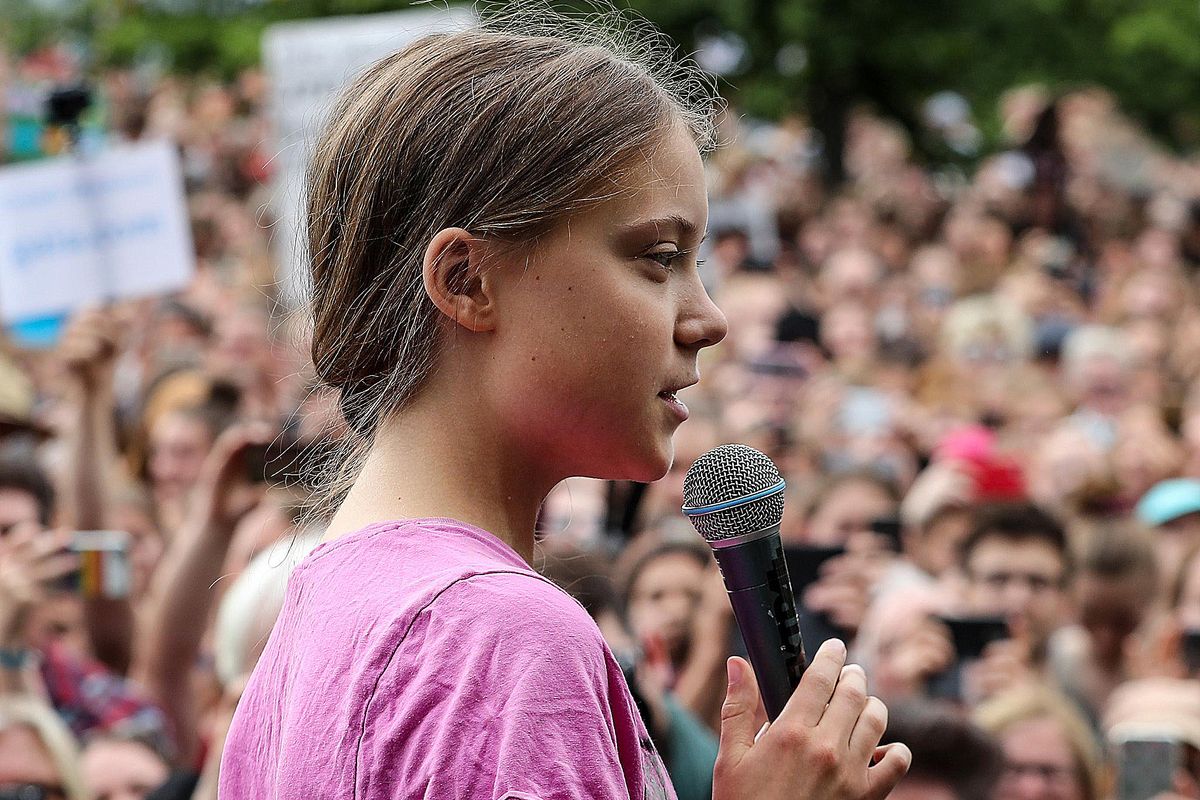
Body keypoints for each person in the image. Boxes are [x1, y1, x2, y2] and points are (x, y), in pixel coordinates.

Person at [218, 9, 910, 799]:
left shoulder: (310, 617)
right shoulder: (501, 637)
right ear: (467, 281)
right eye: (658, 258)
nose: (708, 318)